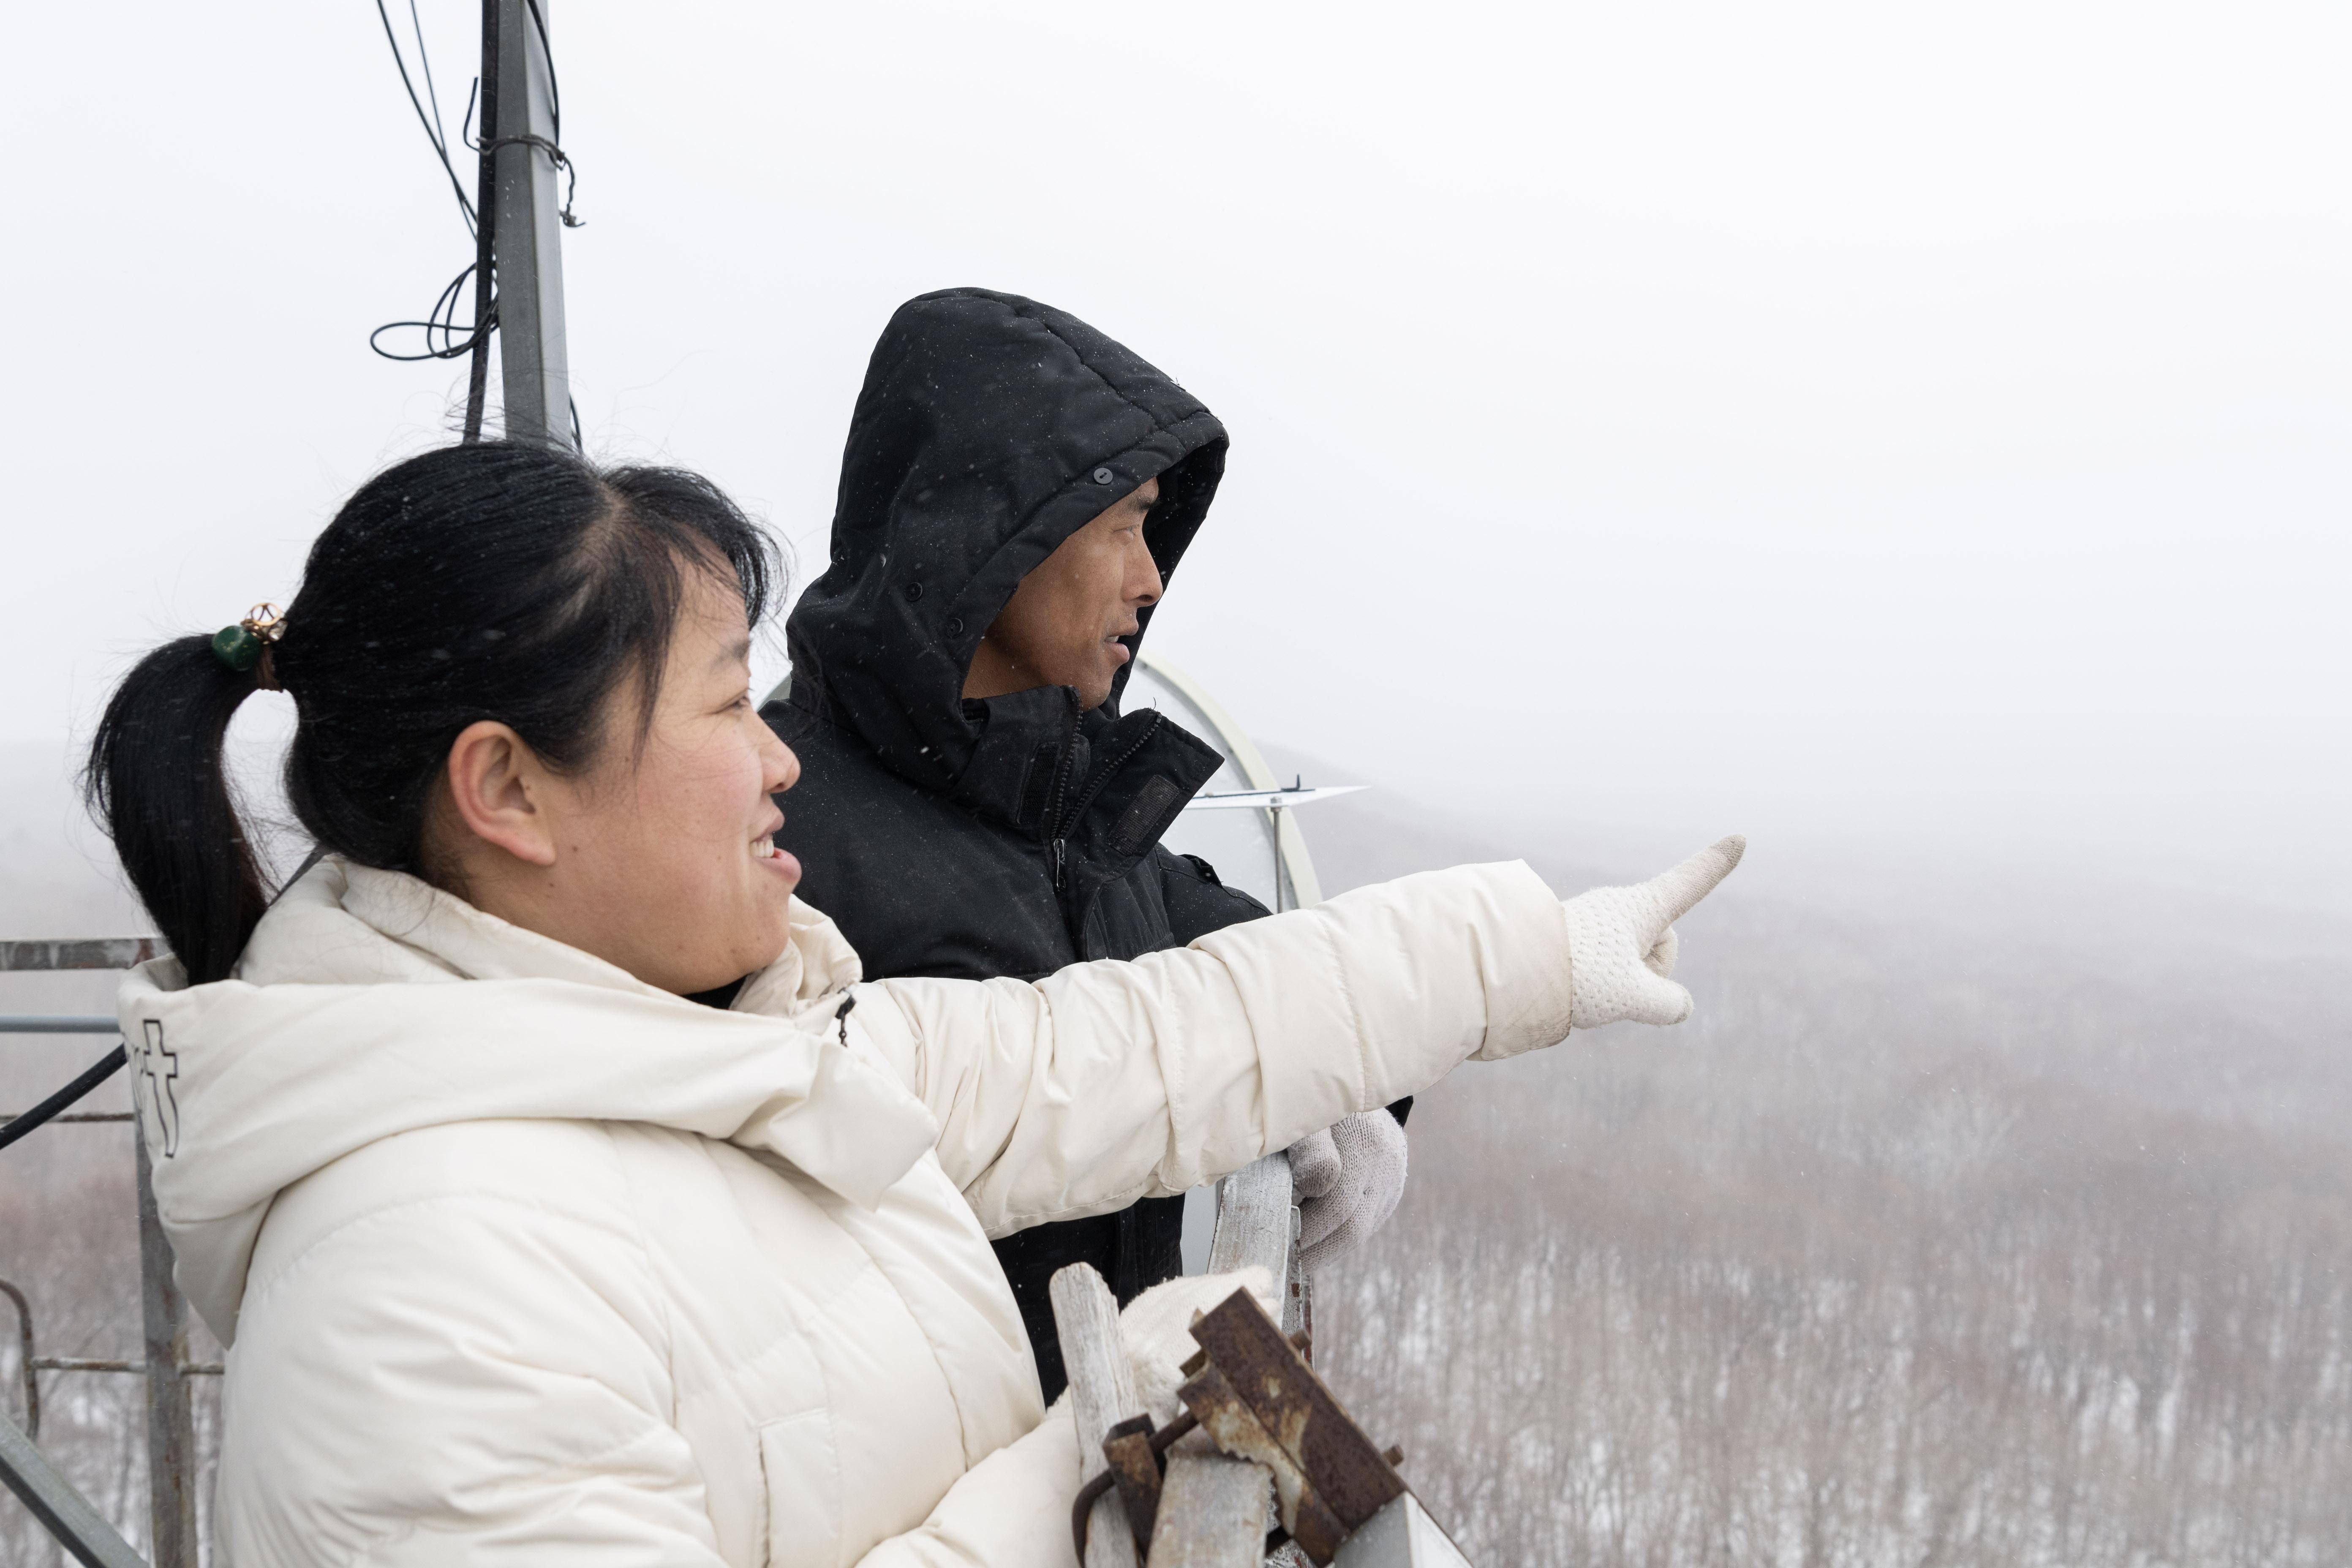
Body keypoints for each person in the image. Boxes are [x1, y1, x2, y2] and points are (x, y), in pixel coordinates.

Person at [90, 439, 1740, 1566]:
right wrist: (1089, 1466)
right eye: (733, 703)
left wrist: (1515, 955)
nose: (781, 757)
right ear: (512, 792)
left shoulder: (709, 1047)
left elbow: (1122, 1052)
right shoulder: (419, 1298)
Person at [772, 289, 1409, 1395]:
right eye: (1120, 523)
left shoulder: (1056, 806)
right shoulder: (780, 839)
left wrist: (1354, 1089)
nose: (1150, 578)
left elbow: (1279, 966)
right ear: (986, 529)